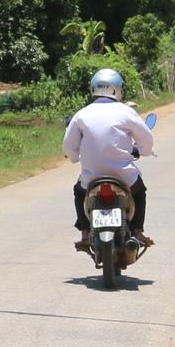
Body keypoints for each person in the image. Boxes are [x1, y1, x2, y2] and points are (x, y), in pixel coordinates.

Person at [62, 67, 153, 252]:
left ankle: (85, 233)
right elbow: (146, 139)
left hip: (92, 178)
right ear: (117, 89)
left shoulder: (82, 114)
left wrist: (74, 157)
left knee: (79, 192)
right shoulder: (127, 112)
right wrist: (143, 151)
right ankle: (137, 232)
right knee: (139, 192)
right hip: (124, 176)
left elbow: (68, 145)